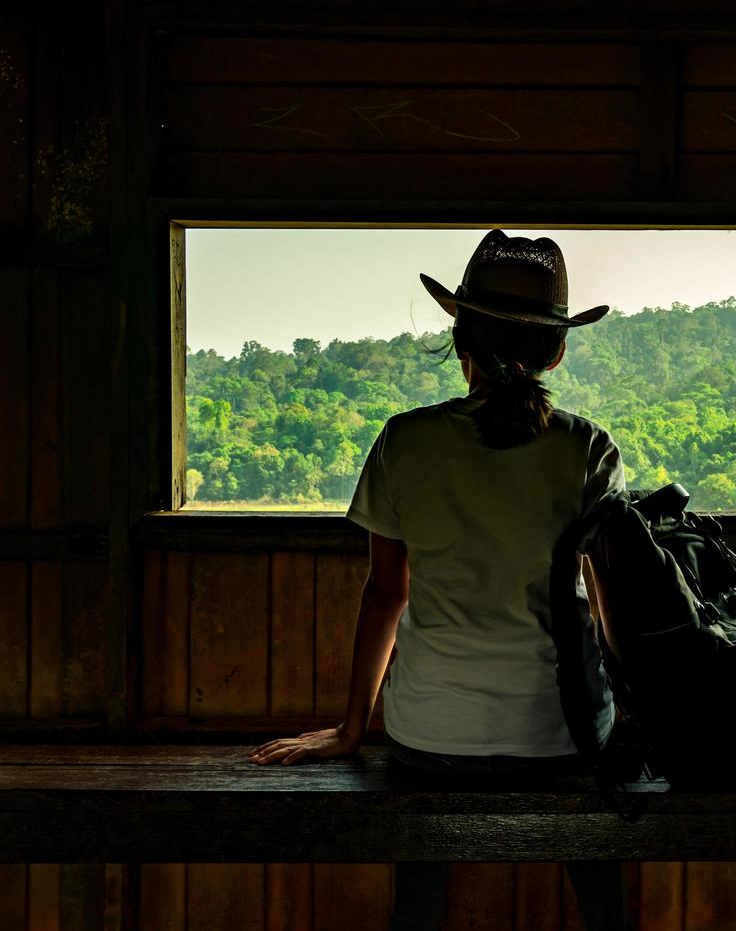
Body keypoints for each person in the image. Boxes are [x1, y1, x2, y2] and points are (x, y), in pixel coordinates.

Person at [244, 228, 635, 931]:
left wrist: (350, 728)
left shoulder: (406, 441)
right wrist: (629, 716)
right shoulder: (585, 447)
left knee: (418, 866)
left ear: (460, 338)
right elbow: (612, 604)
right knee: (600, 851)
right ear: (557, 349)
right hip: (559, 738)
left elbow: (387, 593)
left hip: (432, 738)